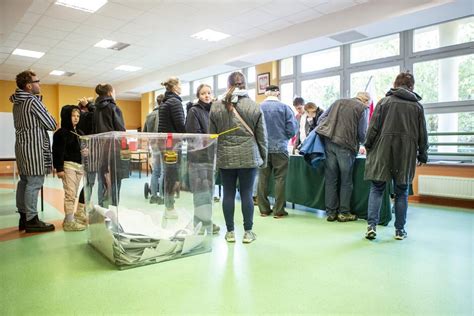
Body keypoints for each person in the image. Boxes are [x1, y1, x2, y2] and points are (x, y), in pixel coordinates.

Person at [364, 72, 428, 240]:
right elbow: (423, 133)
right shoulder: (417, 107)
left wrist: (368, 145)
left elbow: (373, 128)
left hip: (383, 151)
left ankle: (371, 226)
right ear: (411, 87)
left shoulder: (384, 102)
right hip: (406, 153)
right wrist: (423, 155)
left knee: (377, 188)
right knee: (401, 192)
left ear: (395, 84)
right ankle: (400, 231)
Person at [209, 71, 267, 244]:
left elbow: (211, 136)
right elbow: (262, 136)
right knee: (247, 194)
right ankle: (248, 232)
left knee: (228, 193)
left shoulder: (216, 107)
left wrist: (213, 159)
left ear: (228, 85)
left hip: (225, 157)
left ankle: (230, 232)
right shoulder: (255, 106)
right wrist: (263, 157)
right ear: (245, 84)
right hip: (249, 156)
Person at [10, 70, 57, 233]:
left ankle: (23, 218)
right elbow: (51, 124)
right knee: (35, 182)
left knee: (24, 182)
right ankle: (32, 219)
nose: (40, 84)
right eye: (37, 81)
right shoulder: (32, 101)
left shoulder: (17, 103)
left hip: (22, 147)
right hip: (34, 148)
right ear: (29, 86)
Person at [316, 92, 370, 222]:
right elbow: (362, 133)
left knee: (331, 179)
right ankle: (344, 213)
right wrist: (366, 144)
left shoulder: (337, 102)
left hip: (329, 143)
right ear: (366, 101)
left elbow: (320, 119)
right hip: (346, 146)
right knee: (346, 180)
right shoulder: (363, 108)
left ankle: (331, 212)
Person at [257, 85, 297, 218]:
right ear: (278, 93)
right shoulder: (285, 108)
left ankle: (263, 209)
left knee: (263, 179)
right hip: (280, 148)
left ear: (266, 93)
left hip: (262, 149)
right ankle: (278, 211)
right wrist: (283, 137)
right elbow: (292, 130)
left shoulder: (258, 107)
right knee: (280, 179)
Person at [185, 83, 220, 234]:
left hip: (212, 158)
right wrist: (208, 140)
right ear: (198, 96)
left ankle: (207, 221)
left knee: (209, 192)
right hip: (198, 159)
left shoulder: (214, 110)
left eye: (209, 93)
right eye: (203, 93)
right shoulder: (194, 111)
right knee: (201, 192)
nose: (206, 96)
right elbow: (194, 137)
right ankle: (199, 223)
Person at [53, 105, 86, 231]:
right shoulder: (61, 133)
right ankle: (68, 221)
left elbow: (82, 149)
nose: (76, 118)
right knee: (70, 194)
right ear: (67, 116)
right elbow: (57, 152)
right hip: (68, 166)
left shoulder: (80, 133)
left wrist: (85, 151)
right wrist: (59, 168)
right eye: (73, 115)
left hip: (79, 167)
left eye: (78, 116)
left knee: (75, 193)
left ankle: (74, 217)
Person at [92, 83, 126, 207]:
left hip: (100, 149)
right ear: (110, 93)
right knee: (115, 180)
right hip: (114, 149)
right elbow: (121, 131)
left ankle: (102, 207)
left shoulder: (95, 110)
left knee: (102, 179)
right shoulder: (114, 108)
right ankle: (114, 207)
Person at [158, 77, 186, 219]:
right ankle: (170, 207)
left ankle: (168, 205)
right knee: (172, 175)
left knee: (168, 174)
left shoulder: (165, 102)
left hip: (166, 144)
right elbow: (181, 125)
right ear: (175, 87)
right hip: (173, 145)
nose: (181, 87)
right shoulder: (175, 102)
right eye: (180, 84)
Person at [143, 93, 165, 204]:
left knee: (156, 171)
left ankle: (153, 196)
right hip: (164, 145)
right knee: (163, 172)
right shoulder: (164, 114)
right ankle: (161, 197)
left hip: (154, 145)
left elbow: (144, 133)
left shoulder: (149, 115)